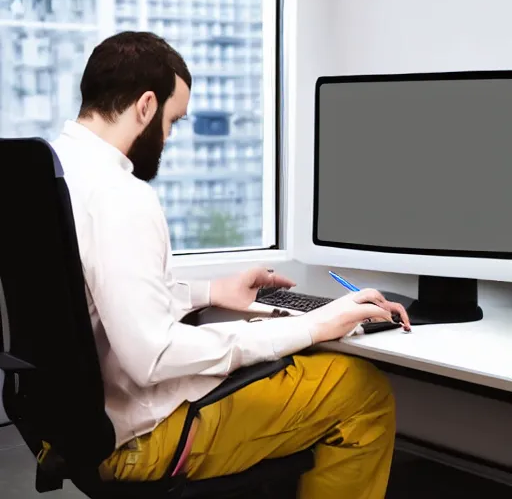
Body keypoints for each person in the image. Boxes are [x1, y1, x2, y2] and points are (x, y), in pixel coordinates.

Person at [51, 31, 411, 499]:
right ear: (144, 106)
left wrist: (209, 293)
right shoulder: (119, 195)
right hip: (139, 438)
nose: (167, 136)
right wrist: (315, 325)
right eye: (171, 120)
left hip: (70, 428)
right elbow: (153, 356)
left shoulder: (55, 171)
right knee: (361, 389)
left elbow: (100, 297)